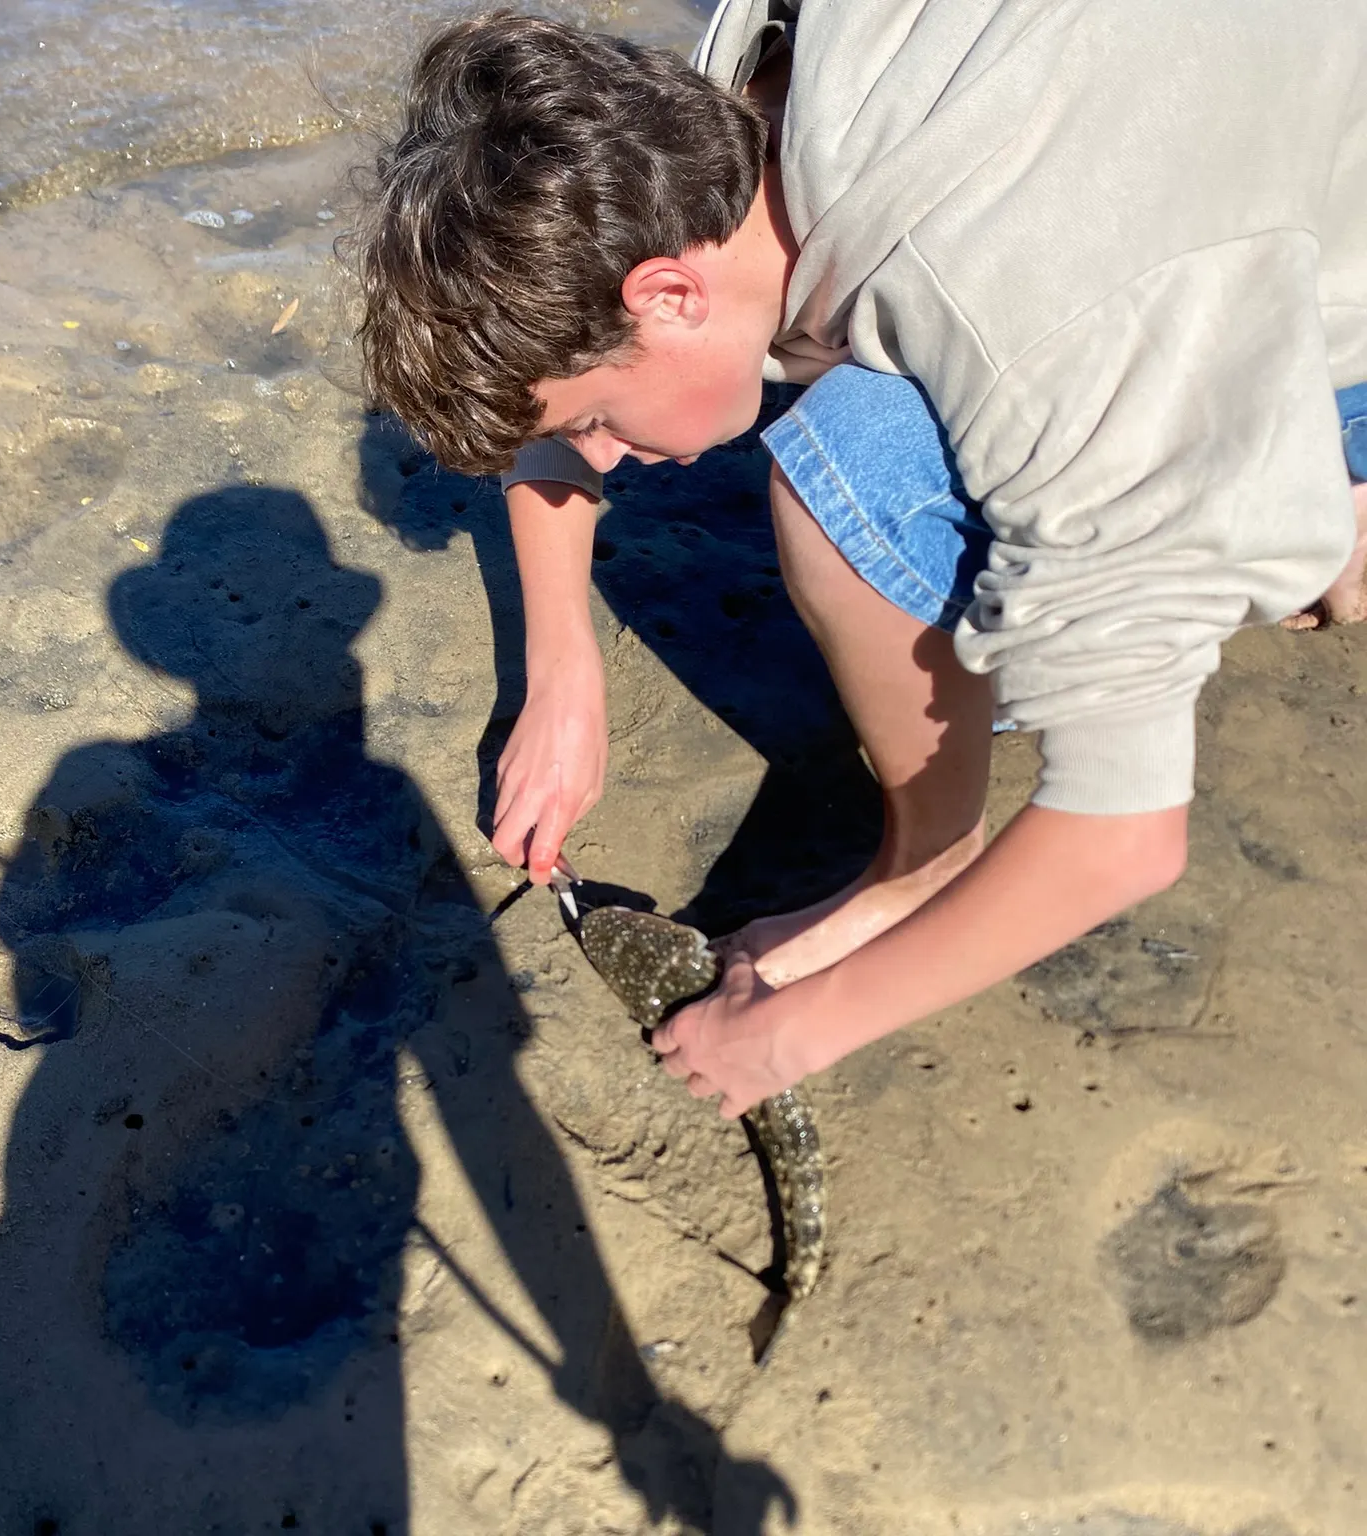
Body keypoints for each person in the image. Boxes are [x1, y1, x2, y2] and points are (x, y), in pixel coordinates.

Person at [356, 2, 1367, 1119]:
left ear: (670, 294)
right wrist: (562, 673)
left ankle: (933, 857)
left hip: (1295, 293)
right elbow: (572, 351)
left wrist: (784, 1038)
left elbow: (1122, 830)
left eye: (596, 421)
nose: (598, 461)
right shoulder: (731, 100)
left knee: (850, 468)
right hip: (1245, 146)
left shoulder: (1036, 315)